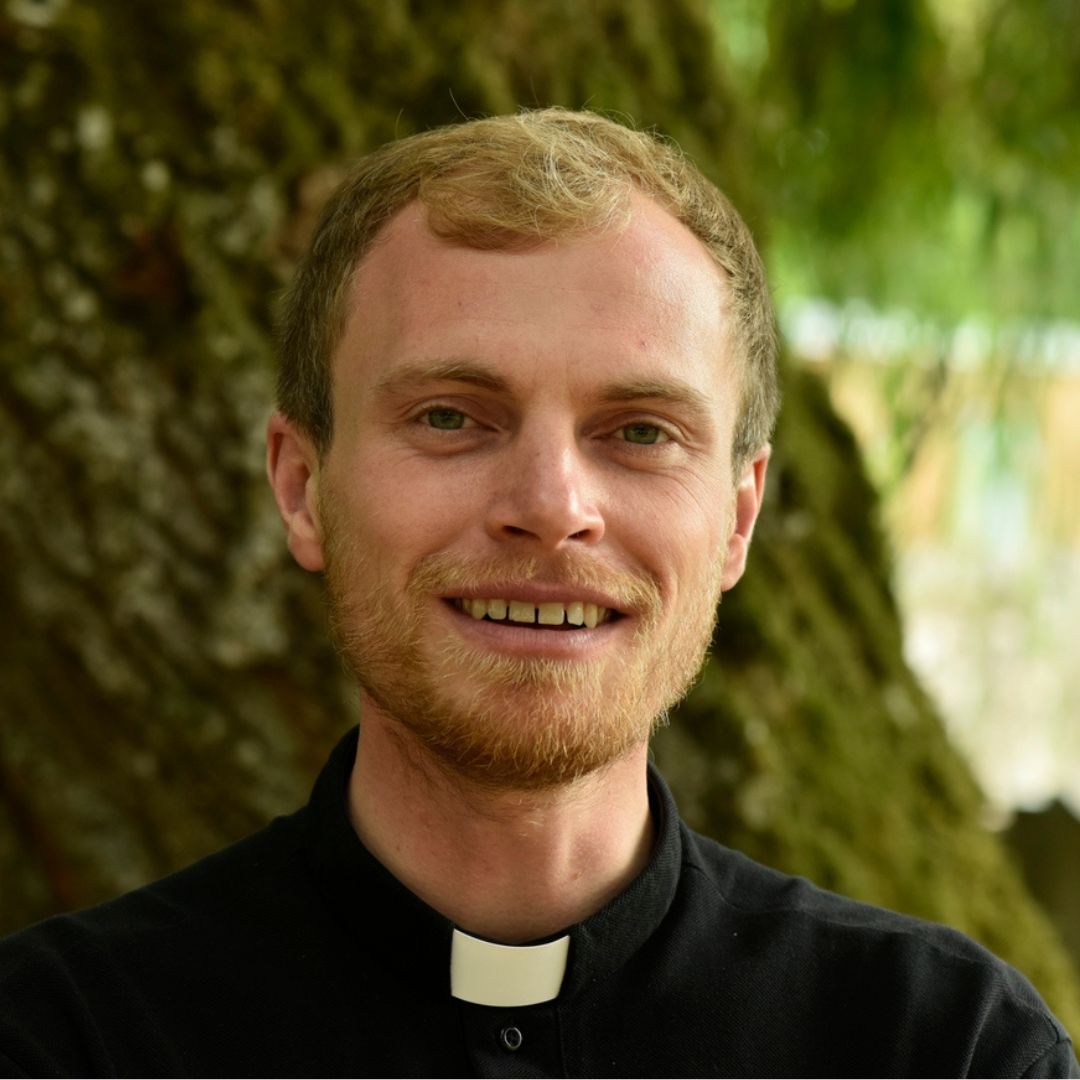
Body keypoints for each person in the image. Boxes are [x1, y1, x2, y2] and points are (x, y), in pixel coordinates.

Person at [0, 108, 1075, 1079]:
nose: (551, 506)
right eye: (451, 417)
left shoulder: (946, 1049)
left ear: (739, 517)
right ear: (302, 489)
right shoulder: (63, 1041)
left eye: (641, 433)